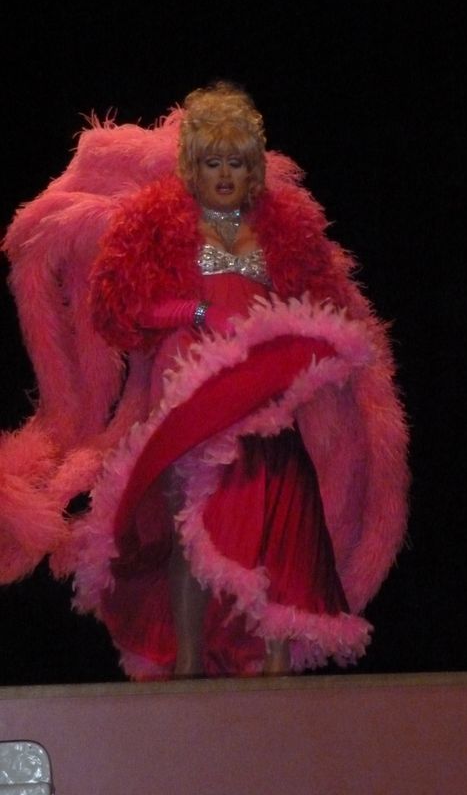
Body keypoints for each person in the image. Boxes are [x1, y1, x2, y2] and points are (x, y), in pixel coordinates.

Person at [1, 81, 410, 679]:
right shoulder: (159, 222)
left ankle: (275, 663)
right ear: (193, 165)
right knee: (191, 529)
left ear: (253, 169)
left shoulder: (283, 228)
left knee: (281, 520)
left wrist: (302, 339)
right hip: (189, 393)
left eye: (236, 163)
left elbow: (318, 302)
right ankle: (188, 663)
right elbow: (121, 309)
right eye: (213, 162)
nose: (224, 175)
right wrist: (194, 312)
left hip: (263, 395)